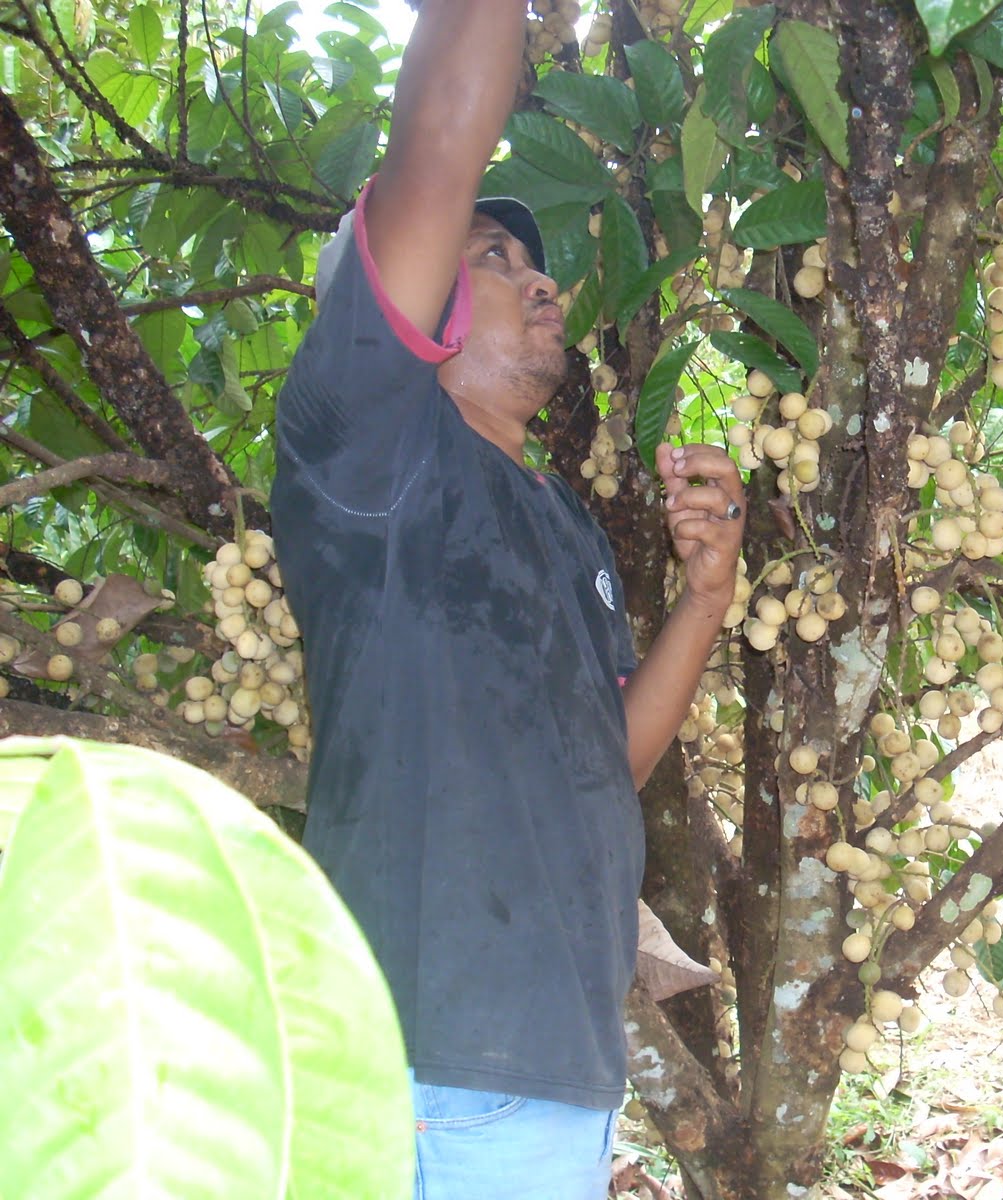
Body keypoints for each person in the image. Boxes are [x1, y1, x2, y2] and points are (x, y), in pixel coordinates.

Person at [268, 0, 745, 1195]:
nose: (541, 286)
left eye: (535, 265)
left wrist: (704, 599)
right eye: (494, 259)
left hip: (549, 1073)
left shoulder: (554, 517)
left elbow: (602, 760)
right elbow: (438, 133)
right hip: (432, 1071)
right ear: (402, 313)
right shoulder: (372, 454)